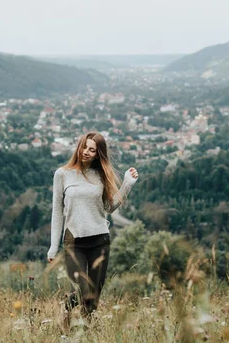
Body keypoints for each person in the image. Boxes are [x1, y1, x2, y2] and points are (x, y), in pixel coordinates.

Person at [47, 132, 139, 322]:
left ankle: (84, 333)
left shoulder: (102, 175)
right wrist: (53, 247)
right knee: (82, 290)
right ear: (79, 146)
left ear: (98, 154)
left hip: (99, 241)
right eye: (84, 147)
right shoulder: (62, 174)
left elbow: (109, 208)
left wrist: (127, 185)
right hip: (74, 242)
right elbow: (57, 211)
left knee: (93, 299)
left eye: (92, 150)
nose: (86, 152)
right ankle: (67, 311)